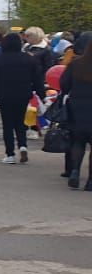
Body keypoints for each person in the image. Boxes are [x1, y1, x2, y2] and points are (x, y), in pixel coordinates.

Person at [0, 33, 44, 165]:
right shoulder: (29, 59)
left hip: (5, 95)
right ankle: (23, 145)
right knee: (20, 122)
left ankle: (10, 154)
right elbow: (37, 79)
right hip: (23, 95)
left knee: (8, 125)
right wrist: (42, 96)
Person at [60, 32, 92, 190]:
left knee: (78, 141)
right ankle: (91, 180)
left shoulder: (76, 64)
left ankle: (74, 171)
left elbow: (64, 84)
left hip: (77, 107)